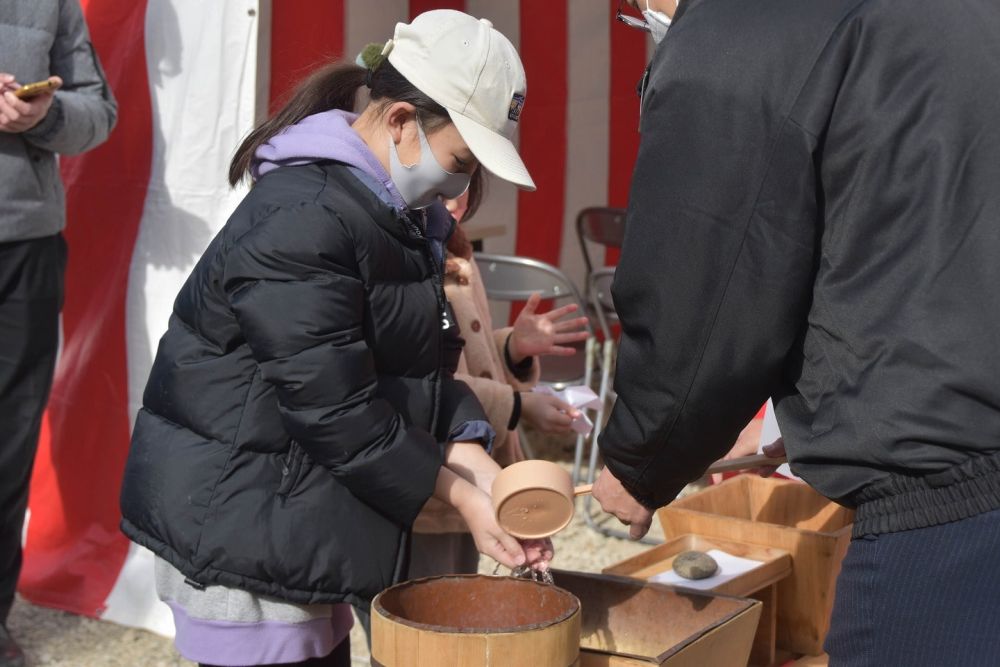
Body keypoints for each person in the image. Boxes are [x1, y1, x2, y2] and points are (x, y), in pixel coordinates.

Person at [118, 10, 547, 667]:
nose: (458, 186)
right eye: (460, 160)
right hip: (243, 535)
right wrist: (459, 491)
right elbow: (336, 407)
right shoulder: (305, 216)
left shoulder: (393, 217)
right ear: (402, 121)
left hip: (303, 522)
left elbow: (418, 374)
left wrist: (477, 459)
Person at [594, 0, 1000, 664]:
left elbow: (709, 271)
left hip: (943, 523)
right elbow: (910, 254)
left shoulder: (742, 25)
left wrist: (641, 455)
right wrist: (782, 428)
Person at [0, 1, 117, 664]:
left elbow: (99, 113)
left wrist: (46, 115)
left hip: (25, 247)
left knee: (10, 442)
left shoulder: (51, 4)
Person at [408, 188, 589, 580]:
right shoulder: (406, 260)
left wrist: (512, 350)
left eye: (468, 179)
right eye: (447, 180)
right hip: (429, 492)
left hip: (478, 481)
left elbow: (469, 356)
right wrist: (518, 406)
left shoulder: (456, 249)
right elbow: (424, 382)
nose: (459, 196)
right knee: (429, 611)